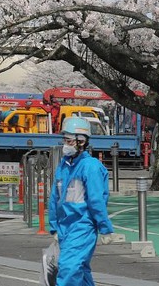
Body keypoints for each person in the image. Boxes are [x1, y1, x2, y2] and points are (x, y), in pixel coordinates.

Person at [48, 116, 114, 286]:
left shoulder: (91, 167)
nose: (65, 144)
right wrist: (54, 226)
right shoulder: (64, 165)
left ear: (81, 141)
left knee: (69, 269)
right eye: (64, 140)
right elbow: (55, 197)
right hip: (65, 227)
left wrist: (104, 227)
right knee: (80, 270)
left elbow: (96, 200)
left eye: (69, 140)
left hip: (82, 226)